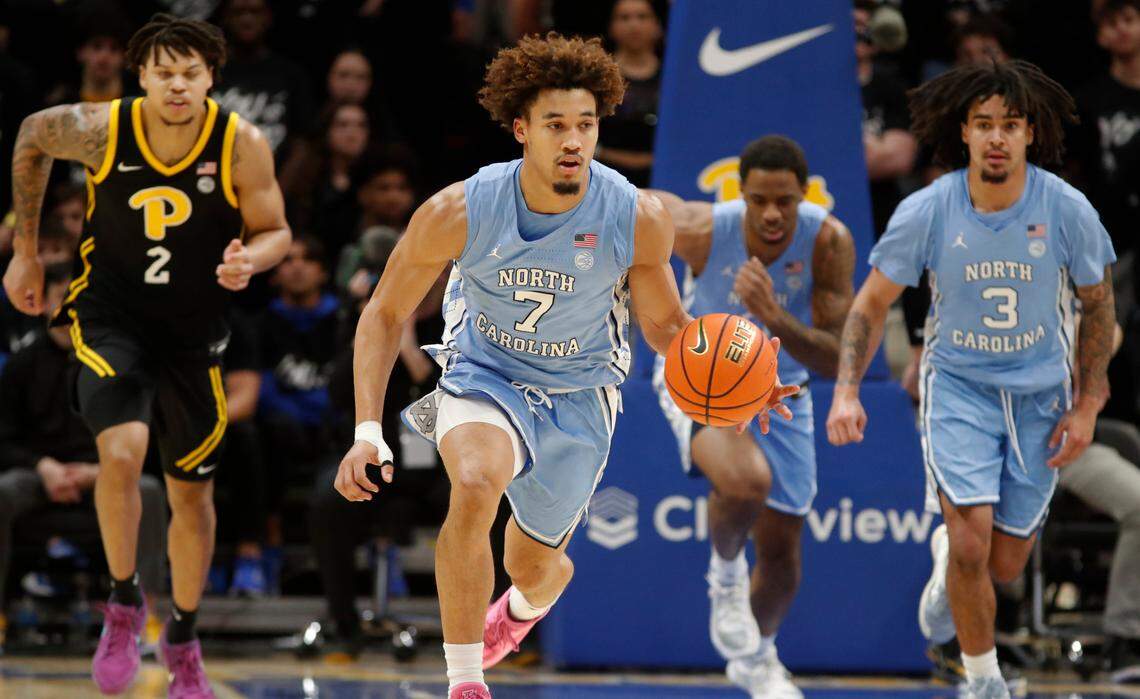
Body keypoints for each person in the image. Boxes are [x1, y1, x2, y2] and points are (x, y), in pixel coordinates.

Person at [332, 33, 795, 699]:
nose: (575, 139)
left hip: (580, 394)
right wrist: (367, 431)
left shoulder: (637, 215)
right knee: (476, 478)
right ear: (522, 129)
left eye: (587, 123)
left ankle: (522, 607)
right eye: (556, 125)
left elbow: (665, 325)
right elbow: (380, 314)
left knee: (534, 565)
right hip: (482, 371)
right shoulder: (459, 208)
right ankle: (466, 681)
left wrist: (743, 369)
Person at [1, 14, 291, 697]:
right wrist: (23, 250)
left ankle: (183, 634)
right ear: (143, 76)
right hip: (111, 316)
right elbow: (32, 137)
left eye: (191, 73)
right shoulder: (104, 127)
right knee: (124, 453)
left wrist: (254, 258)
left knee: (193, 495)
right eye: (164, 72)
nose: (178, 85)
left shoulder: (241, 143)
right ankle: (124, 601)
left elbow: (277, 228)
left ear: (211, 78)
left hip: (194, 331)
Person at [826, 60, 1117, 699]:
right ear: (963, 131)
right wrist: (847, 391)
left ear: (1028, 134)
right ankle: (983, 682)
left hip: (1041, 395)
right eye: (983, 124)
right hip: (958, 390)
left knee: (1003, 564)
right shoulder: (928, 209)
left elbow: (1099, 306)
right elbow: (871, 303)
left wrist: (1089, 403)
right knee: (969, 544)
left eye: (1009, 126)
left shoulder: (1066, 209)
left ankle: (945, 579)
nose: (996, 137)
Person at [650, 135, 854, 698]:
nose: (771, 213)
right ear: (742, 194)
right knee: (745, 484)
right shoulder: (702, 229)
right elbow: (631, 207)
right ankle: (724, 575)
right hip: (700, 377)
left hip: (786, 387)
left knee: (784, 556)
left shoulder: (829, 241)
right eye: (760, 199)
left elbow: (839, 359)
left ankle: (759, 660)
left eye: (784, 201)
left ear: (803, 196)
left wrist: (772, 315)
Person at [0, 264, 166, 648]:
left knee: (149, 490)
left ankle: (147, 612)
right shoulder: (24, 364)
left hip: (105, 473)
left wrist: (100, 471)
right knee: (2, 491)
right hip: (38, 473)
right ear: (42, 304)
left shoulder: (121, 361)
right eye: (63, 297)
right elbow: (3, 436)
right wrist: (44, 468)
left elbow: (149, 434)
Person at [594, 0, 663, 188]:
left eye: (642, 17)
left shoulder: (675, 77)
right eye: (624, 17)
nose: (634, 24)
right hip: (603, 177)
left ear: (658, 26)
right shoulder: (594, 77)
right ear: (611, 27)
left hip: (661, 177)